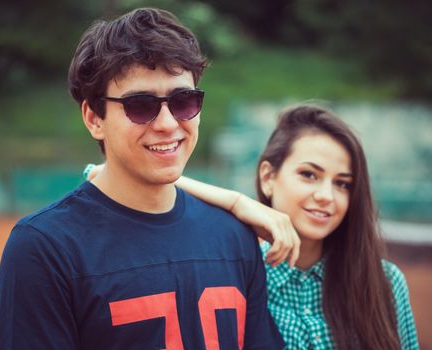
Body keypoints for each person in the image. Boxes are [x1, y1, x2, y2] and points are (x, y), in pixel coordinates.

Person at [0, 8, 287, 349]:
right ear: (94, 118)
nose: (167, 123)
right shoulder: (45, 248)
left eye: (184, 100)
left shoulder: (235, 236)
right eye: (140, 105)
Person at [88, 104, 420, 349]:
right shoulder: (235, 279)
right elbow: (98, 172)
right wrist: (237, 201)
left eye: (343, 184)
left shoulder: (384, 282)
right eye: (309, 175)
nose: (326, 196)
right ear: (268, 177)